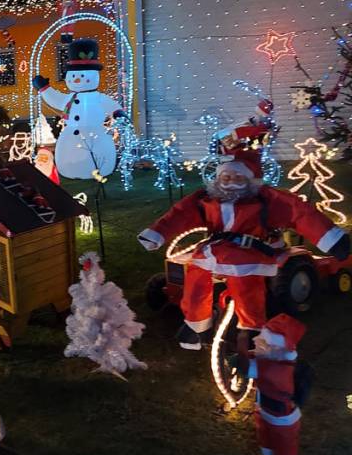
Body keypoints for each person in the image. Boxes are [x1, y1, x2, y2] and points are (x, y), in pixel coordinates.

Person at [138, 149, 350, 350]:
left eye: (238, 177)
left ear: (250, 180)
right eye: (226, 177)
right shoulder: (206, 199)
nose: (230, 182)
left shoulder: (266, 200)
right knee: (194, 277)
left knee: (246, 287)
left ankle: (251, 329)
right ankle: (196, 325)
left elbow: (299, 213)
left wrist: (331, 239)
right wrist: (157, 233)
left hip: (251, 250)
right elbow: (180, 214)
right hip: (214, 250)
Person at [239, 314, 307, 455]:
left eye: (264, 343)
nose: (259, 344)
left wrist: (242, 348)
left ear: (277, 347)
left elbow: (248, 368)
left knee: (284, 444)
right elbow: (257, 360)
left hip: (281, 416)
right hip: (266, 409)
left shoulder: (277, 368)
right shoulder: (272, 358)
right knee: (266, 435)